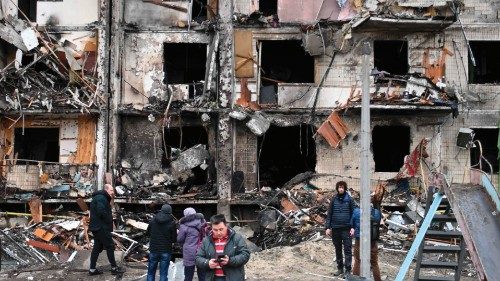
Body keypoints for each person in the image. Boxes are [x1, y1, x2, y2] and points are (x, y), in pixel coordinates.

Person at [195, 214, 250, 281]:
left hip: (233, 278)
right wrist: (207, 263)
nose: (218, 232)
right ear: (211, 228)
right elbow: (198, 258)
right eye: (215, 230)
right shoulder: (206, 241)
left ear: (226, 226)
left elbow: (245, 255)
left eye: (221, 229)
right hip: (213, 278)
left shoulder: (237, 238)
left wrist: (230, 261)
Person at [88, 184, 125, 275]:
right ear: (106, 190)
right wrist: (108, 219)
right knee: (110, 246)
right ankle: (114, 268)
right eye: (111, 190)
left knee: (96, 248)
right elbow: (101, 211)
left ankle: (92, 269)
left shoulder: (99, 197)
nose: (113, 192)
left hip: (97, 227)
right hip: (101, 227)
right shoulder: (101, 198)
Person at [325, 181, 356, 277]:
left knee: (347, 250)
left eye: (342, 187)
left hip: (346, 229)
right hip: (336, 229)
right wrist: (328, 227)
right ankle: (340, 268)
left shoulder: (350, 200)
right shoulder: (334, 200)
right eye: (339, 187)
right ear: (337, 188)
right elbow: (329, 214)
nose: (341, 189)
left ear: (345, 188)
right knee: (338, 249)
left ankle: (347, 270)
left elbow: (354, 215)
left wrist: (353, 228)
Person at [350, 201, 382, 281]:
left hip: (360, 240)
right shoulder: (377, 213)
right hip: (372, 241)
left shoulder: (356, 212)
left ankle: (355, 279)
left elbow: (352, 224)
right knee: (374, 263)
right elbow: (378, 223)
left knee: (358, 261)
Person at [147, 204, 177, 281]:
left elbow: (148, 232)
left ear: (161, 210)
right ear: (170, 212)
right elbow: (174, 239)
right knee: (163, 273)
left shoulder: (153, 220)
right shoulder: (172, 223)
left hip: (153, 249)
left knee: (150, 272)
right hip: (166, 250)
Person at [177, 207, 207, 281]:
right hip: (202, 251)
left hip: (189, 252)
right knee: (203, 276)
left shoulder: (184, 226)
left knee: (188, 276)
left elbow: (180, 239)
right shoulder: (203, 222)